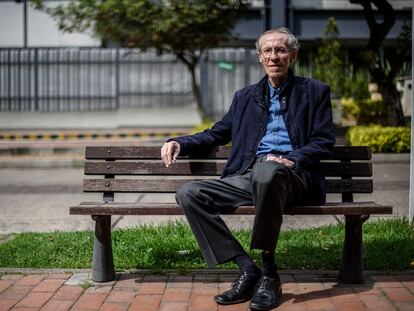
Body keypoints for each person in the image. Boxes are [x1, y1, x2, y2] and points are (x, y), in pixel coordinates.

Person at [161, 27, 335, 310]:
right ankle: (246, 267)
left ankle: (269, 272)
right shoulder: (246, 97)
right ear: (260, 57)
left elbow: (324, 141)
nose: (274, 56)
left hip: (294, 177)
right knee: (189, 192)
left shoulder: (314, 92)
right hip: (250, 175)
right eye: (267, 51)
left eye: (280, 50)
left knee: (268, 171)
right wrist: (180, 142)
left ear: (293, 55)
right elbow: (217, 133)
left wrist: (292, 159)